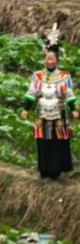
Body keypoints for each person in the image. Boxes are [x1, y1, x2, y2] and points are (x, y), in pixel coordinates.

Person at [22, 26, 76, 179]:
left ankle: (55, 170)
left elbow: (69, 93)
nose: (49, 61)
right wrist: (26, 108)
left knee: (57, 140)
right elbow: (32, 92)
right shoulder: (38, 76)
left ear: (57, 60)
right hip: (42, 113)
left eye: (52, 59)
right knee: (43, 140)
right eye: (47, 58)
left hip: (58, 113)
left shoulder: (64, 76)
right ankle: (43, 169)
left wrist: (73, 109)